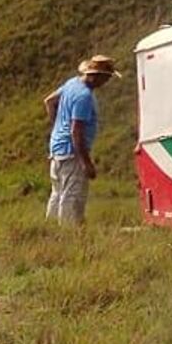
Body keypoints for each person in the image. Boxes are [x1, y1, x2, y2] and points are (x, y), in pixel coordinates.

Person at [43, 55, 119, 225]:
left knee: (58, 193)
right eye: (105, 78)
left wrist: (58, 128)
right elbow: (76, 131)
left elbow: (49, 101)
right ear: (96, 75)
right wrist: (86, 162)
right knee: (72, 196)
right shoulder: (83, 96)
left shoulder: (72, 83)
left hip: (57, 149)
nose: (106, 82)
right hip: (72, 153)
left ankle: (50, 229)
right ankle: (69, 234)